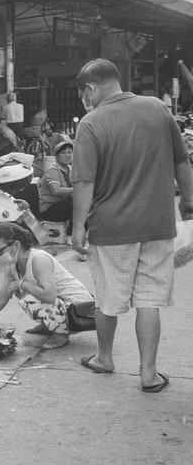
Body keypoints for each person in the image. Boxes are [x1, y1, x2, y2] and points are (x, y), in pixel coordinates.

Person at [70, 58, 193, 391]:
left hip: (111, 228)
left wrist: (78, 227)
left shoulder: (91, 123)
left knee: (107, 299)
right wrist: (189, 202)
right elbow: (182, 161)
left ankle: (104, 359)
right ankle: (149, 375)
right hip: (158, 223)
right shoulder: (157, 108)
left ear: (90, 89)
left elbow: (83, 183)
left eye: (84, 93)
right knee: (149, 300)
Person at [0, 223, 94, 350]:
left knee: (27, 293)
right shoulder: (12, 267)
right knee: (21, 290)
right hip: (63, 307)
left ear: (16, 245)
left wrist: (22, 284)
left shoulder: (39, 259)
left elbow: (49, 296)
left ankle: (61, 333)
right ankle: (49, 324)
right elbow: (1, 298)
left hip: (80, 311)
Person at [38, 141, 78, 239]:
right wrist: (77, 189)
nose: (67, 155)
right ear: (56, 156)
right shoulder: (53, 170)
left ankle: (80, 235)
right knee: (76, 204)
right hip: (49, 209)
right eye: (63, 153)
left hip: (62, 206)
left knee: (86, 203)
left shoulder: (70, 169)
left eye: (69, 152)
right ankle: (70, 236)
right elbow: (56, 191)